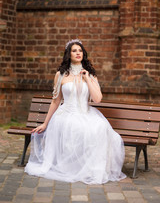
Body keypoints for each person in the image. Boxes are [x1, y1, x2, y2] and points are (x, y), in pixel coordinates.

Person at [25, 39, 126, 184]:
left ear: (83, 54)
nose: (78, 53)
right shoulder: (60, 75)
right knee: (75, 127)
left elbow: (97, 99)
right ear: (69, 54)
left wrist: (87, 79)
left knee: (99, 128)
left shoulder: (90, 74)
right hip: (65, 114)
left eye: (80, 51)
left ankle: (91, 168)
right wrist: (45, 124)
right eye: (74, 51)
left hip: (86, 112)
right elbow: (55, 101)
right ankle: (71, 166)